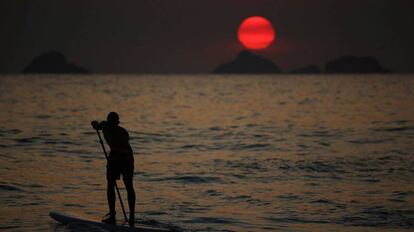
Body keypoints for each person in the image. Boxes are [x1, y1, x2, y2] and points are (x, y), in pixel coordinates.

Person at [91, 112, 135, 226]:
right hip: (115, 157)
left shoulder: (123, 132)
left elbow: (122, 145)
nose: (113, 125)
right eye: (111, 123)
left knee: (128, 185)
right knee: (110, 184)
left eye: (114, 124)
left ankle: (132, 216)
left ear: (118, 123)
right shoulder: (105, 126)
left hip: (126, 158)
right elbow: (98, 126)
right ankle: (112, 214)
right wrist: (95, 124)